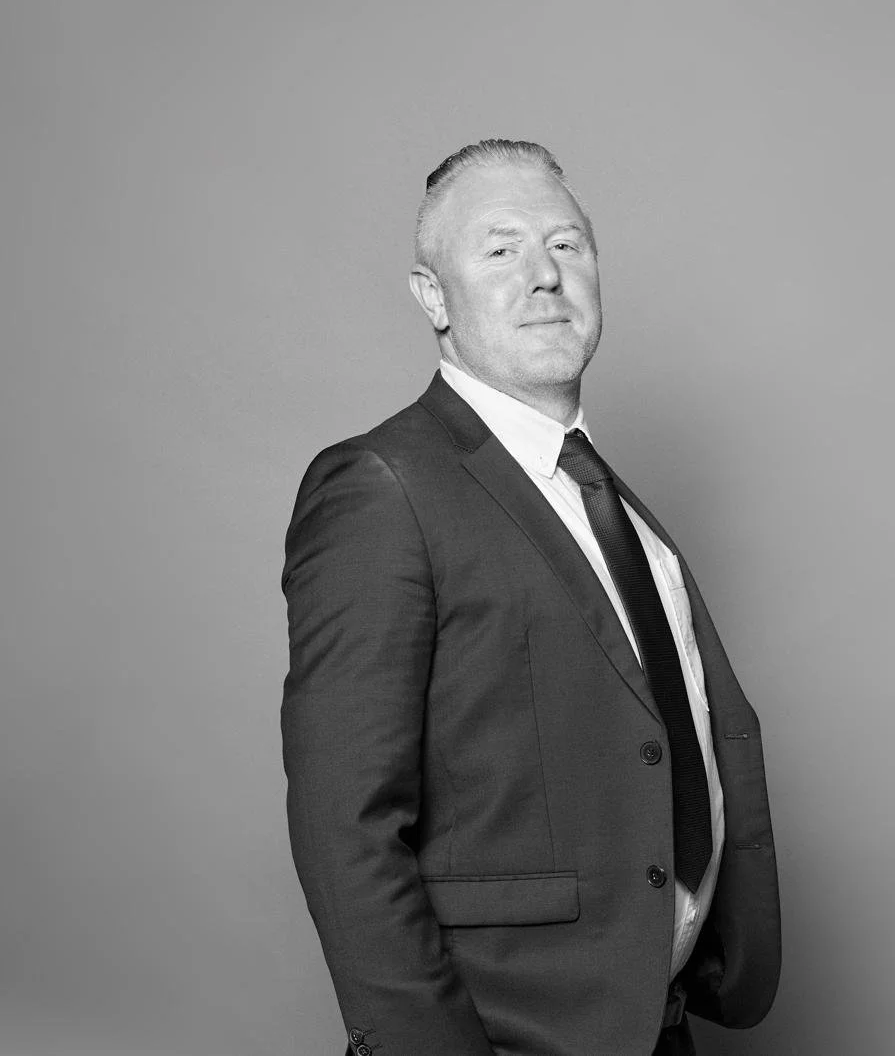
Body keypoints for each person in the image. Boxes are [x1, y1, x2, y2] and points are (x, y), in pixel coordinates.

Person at [280, 139, 780, 1055]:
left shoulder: (606, 501)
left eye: (566, 244)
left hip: (650, 1025)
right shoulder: (383, 488)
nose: (544, 275)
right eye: (501, 248)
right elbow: (343, 825)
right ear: (433, 297)